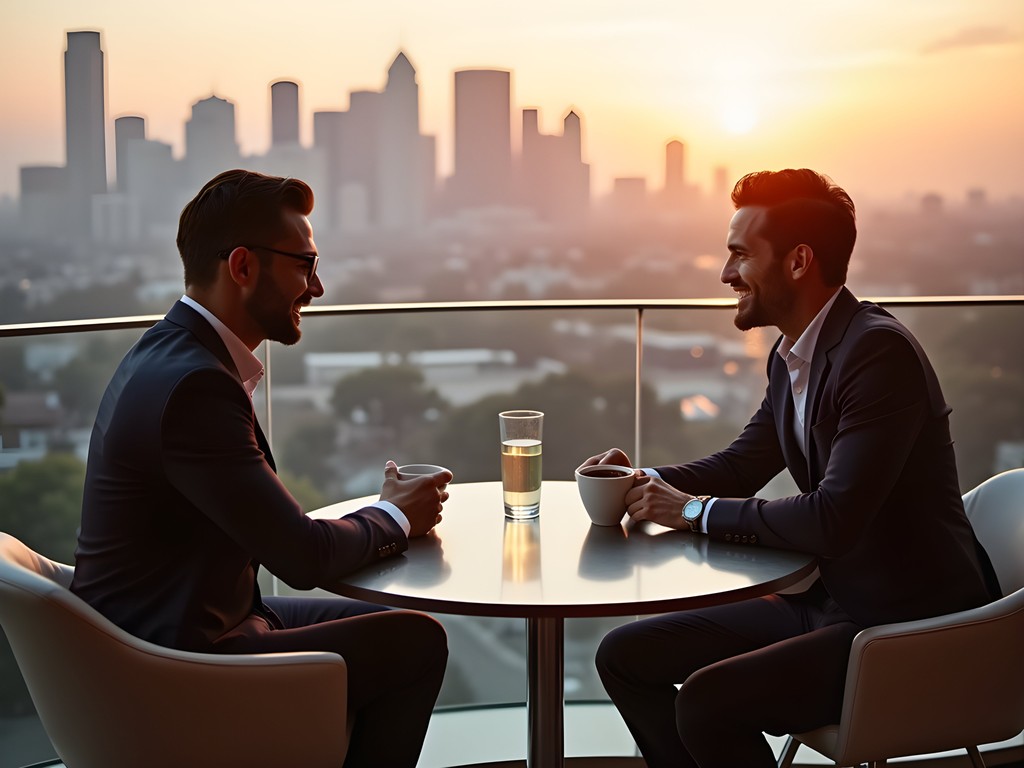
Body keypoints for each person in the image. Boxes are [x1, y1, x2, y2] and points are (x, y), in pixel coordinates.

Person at [583, 168, 1000, 768]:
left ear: (799, 261)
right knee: (625, 654)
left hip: (907, 627)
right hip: (834, 603)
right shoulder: (794, 356)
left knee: (706, 704)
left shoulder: (878, 354)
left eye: (739, 255)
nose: (726, 275)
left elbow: (833, 518)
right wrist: (639, 482)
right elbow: (740, 465)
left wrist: (693, 512)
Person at [71, 169, 450, 767]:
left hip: (181, 624)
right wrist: (394, 517)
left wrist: (384, 515)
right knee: (415, 641)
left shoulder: (167, 353)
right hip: (178, 662)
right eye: (304, 264)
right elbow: (301, 557)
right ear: (243, 267)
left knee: (388, 619)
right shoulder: (196, 387)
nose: (318, 287)